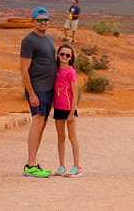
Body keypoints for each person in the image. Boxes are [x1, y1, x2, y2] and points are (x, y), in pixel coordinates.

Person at [20, 6, 56, 178]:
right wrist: (32, 93)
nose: (43, 22)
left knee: (42, 124)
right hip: (37, 88)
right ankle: (30, 164)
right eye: (40, 20)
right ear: (33, 21)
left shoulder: (49, 39)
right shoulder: (29, 41)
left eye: (46, 19)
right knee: (38, 121)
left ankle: (34, 162)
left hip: (49, 89)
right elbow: (24, 69)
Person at [52, 44, 82, 178]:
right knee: (60, 137)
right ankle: (61, 165)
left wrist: (72, 112)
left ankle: (77, 166)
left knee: (72, 137)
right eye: (62, 54)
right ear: (58, 55)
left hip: (69, 108)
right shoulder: (56, 70)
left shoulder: (71, 72)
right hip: (58, 107)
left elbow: (75, 93)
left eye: (67, 55)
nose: (64, 57)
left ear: (71, 58)